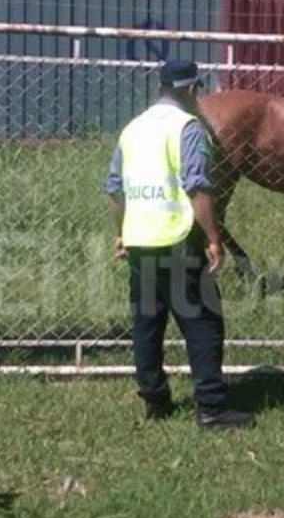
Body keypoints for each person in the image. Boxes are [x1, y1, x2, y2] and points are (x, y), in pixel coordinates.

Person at [104, 59, 254, 430]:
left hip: (139, 241)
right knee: (203, 323)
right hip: (177, 239)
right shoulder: (187, 127)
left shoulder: (133, 128)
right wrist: (214, 237)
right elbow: (196, 186)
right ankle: (211, 407)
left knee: (147, 324)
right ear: (190, 89)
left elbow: (113, 189)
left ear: (162, 87)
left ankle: (155, 401)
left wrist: (121, 232)